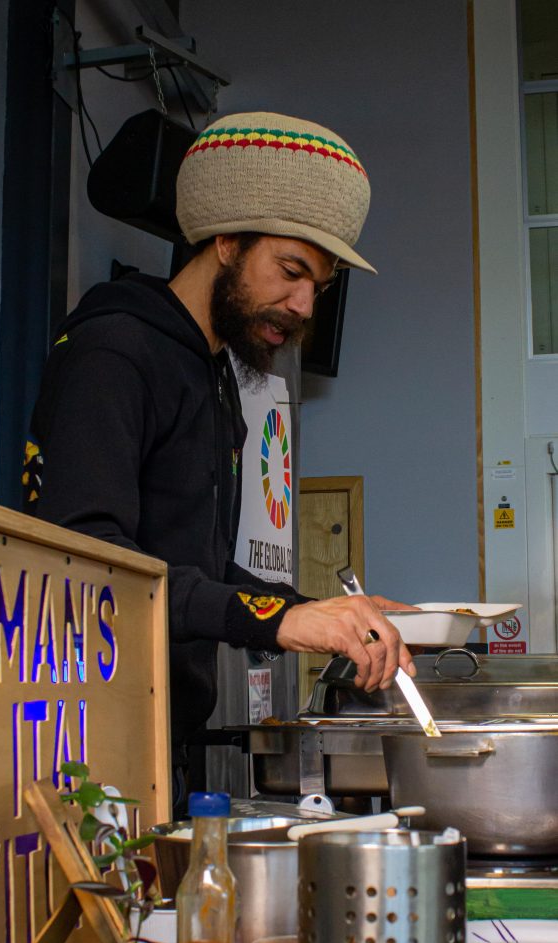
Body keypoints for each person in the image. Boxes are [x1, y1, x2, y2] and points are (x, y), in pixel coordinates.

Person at [24, 111, 416, 774]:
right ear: (228, 242)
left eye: (316, 287)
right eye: (289, 270)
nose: (303, 306)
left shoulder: (214, 375)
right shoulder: (114, 353)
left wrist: (316, 612)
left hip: (163, 735)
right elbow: (85, 561)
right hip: (88, 739)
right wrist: (273, 621)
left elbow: (189, 566)